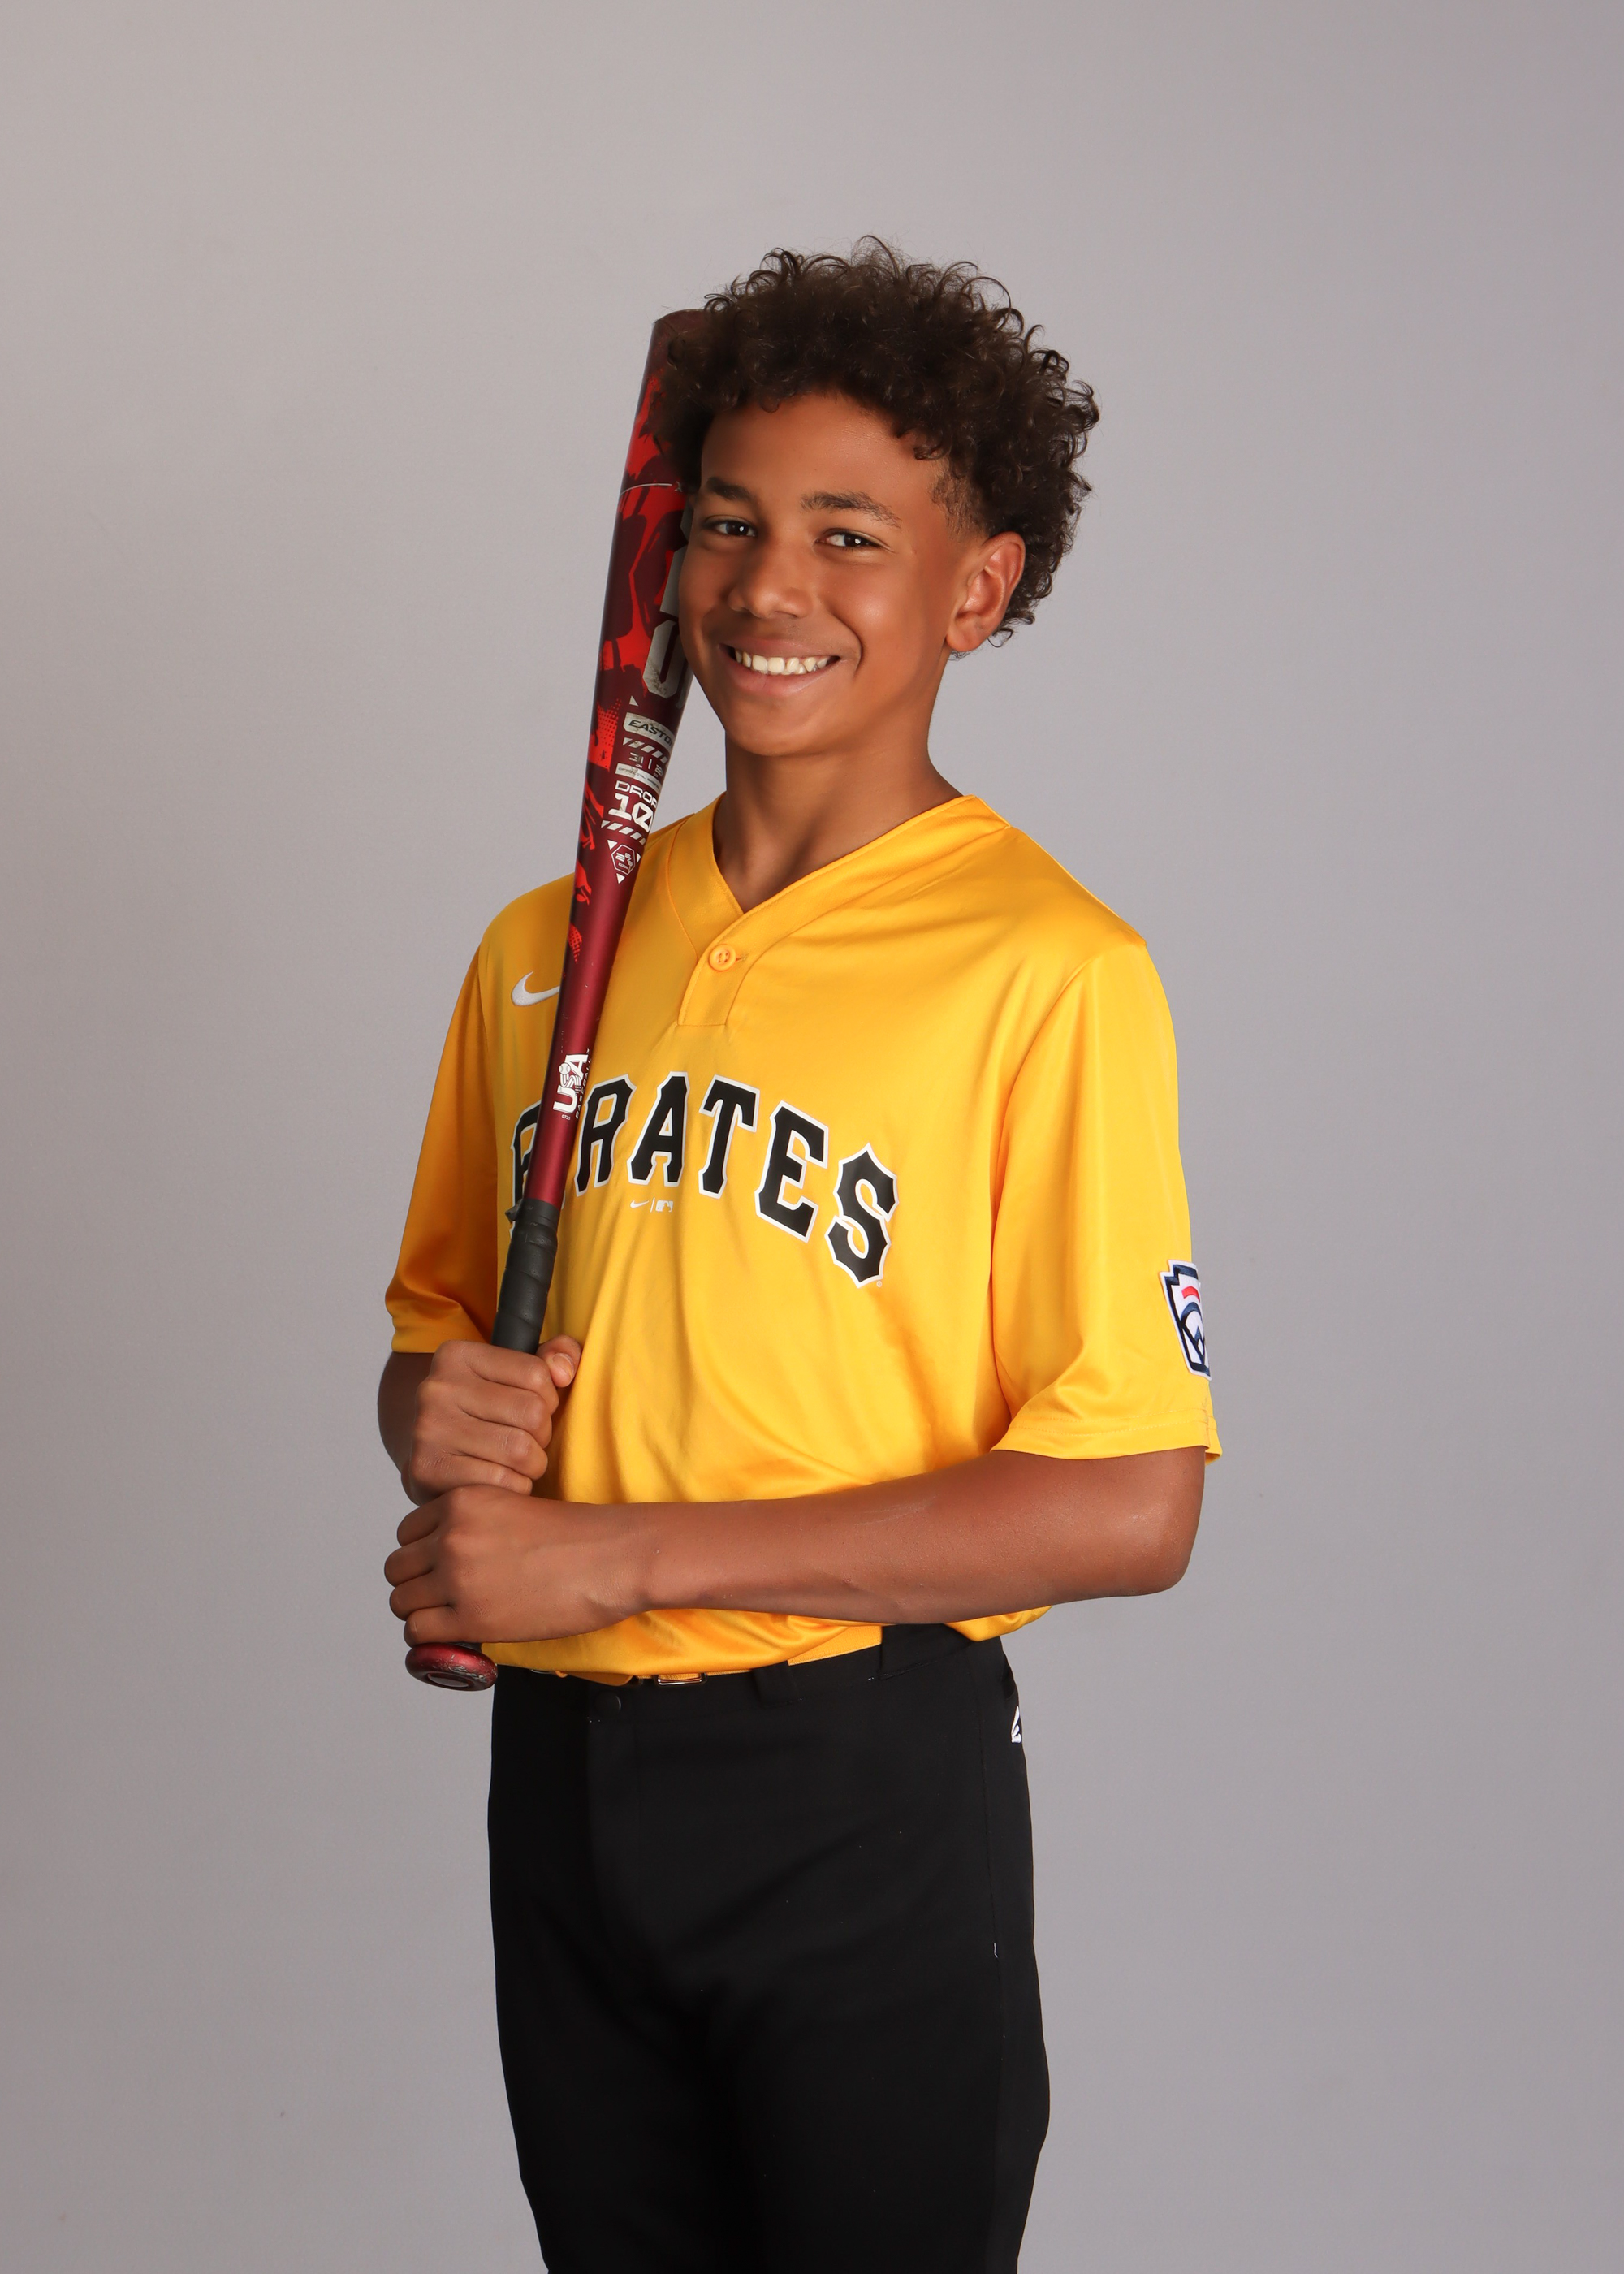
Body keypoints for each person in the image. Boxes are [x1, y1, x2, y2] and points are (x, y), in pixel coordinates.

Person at [379, 243, 1219, 2274]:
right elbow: (433, 1350)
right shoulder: (543, 945)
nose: (770, 587)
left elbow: (1131, 1500)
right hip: (560, 1785)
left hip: (854, 1788)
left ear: (975, 587)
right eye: (731, 523)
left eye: (851, 534)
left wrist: (617, 1556)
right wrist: (432, 1416)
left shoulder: (1047, 967)